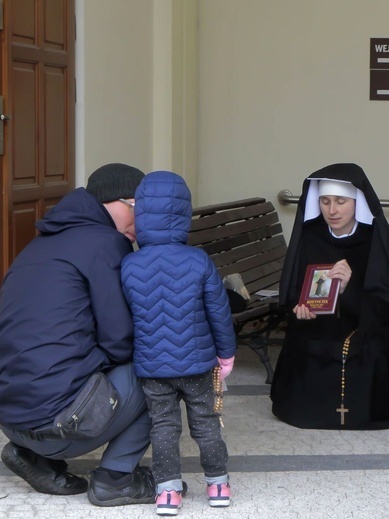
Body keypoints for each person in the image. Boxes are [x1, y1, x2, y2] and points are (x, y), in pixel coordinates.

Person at [0, 163, 159, 507]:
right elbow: (120, 341)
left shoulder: (39, 246)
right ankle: (116, 479)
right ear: (116, 201)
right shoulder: (106, 244)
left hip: (10, 418)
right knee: (160, 368)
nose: (142, 226)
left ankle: (33, 454)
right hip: (60, 425)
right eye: (139, 210)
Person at [270, 163, 389, 430]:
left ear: (357, 202)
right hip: (318, 322)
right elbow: (297, 291)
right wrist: (301, 309)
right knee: (307, 346)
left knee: (370, 352)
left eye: (341, 202)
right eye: (325, 201)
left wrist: (349, 289)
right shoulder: (309, 236)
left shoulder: (374, 238)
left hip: (366, 322)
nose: (332, 210)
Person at [120, 170, 237, 515]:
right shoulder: (198, 260)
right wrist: (226, 354)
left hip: (153, 367)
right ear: (184, 214)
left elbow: (126, 318)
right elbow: (219, 311)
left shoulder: (129, 265)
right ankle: (218, 485)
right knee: (206, 423)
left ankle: (167, 492)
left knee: (164, 427)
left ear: (140, 216)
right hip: (198, 364)